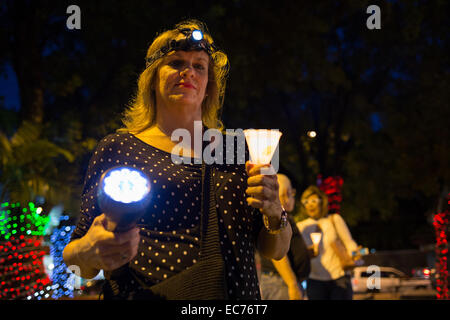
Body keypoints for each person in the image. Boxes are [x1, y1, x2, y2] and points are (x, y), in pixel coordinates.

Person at [62, 19, 291, 300]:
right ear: (152, 79)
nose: (188, 72)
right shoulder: (119, 148)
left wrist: (274, 211)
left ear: (209, 85)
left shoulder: (237, 149)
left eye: (199, 66)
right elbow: (76, 261)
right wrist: (90, 251)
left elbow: (276, 250)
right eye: (176, 62)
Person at [296, 185, 360, 300]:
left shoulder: (334, 219)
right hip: (314, 280)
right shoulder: (301, 227)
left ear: (322, 202)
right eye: (306, 201)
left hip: (339, 277)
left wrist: (354, 255)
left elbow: (349, 243)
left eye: (313, 201)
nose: (309, 204)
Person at [259, 174, 311, 300]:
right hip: (280, 283)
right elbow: (278, 256)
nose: (290, 197)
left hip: (282, 282)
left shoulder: (284, 216)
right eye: (287, 193)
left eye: (291, 193)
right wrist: (292, 284)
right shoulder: (275, 219)